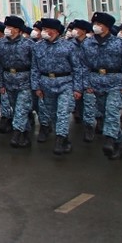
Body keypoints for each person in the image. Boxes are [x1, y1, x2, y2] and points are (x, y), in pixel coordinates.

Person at [32, 18, 84, 155]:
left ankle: (59, 141)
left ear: (55, 31)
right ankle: (64, 139)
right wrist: (36, 86)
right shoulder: (37, 46)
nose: (43, 32)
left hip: (65, 83)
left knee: (62, 112)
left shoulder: (68, 46)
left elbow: (77, 68)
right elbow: (35, 68)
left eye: (46, 29)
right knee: (52, 114)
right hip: (46, 84)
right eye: (42, 29)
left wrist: (78, 88)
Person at [80, 12, 122, 159]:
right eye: (95, 24)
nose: (96, 27)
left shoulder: (120, 44)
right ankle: (118, 145)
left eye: (100, 25)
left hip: (115, 82)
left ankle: (109, 141)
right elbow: (83, 65)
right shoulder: (87, 43)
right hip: (95, 84)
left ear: (107, 27)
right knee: (106, 115)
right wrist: (86, 83)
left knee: (112, 111)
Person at [0, 16, 35, 147]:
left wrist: (34, 84)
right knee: (17, 108)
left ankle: (16, 134)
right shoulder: (0, 44)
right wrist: (0, 83)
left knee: (21, 108)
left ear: (17, 29)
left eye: (10, 27)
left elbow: (35, 65)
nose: (7, 30)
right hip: (8, 80)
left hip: (24, 80)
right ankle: (26, 134)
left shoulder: (28, 44)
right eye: (6, 27)